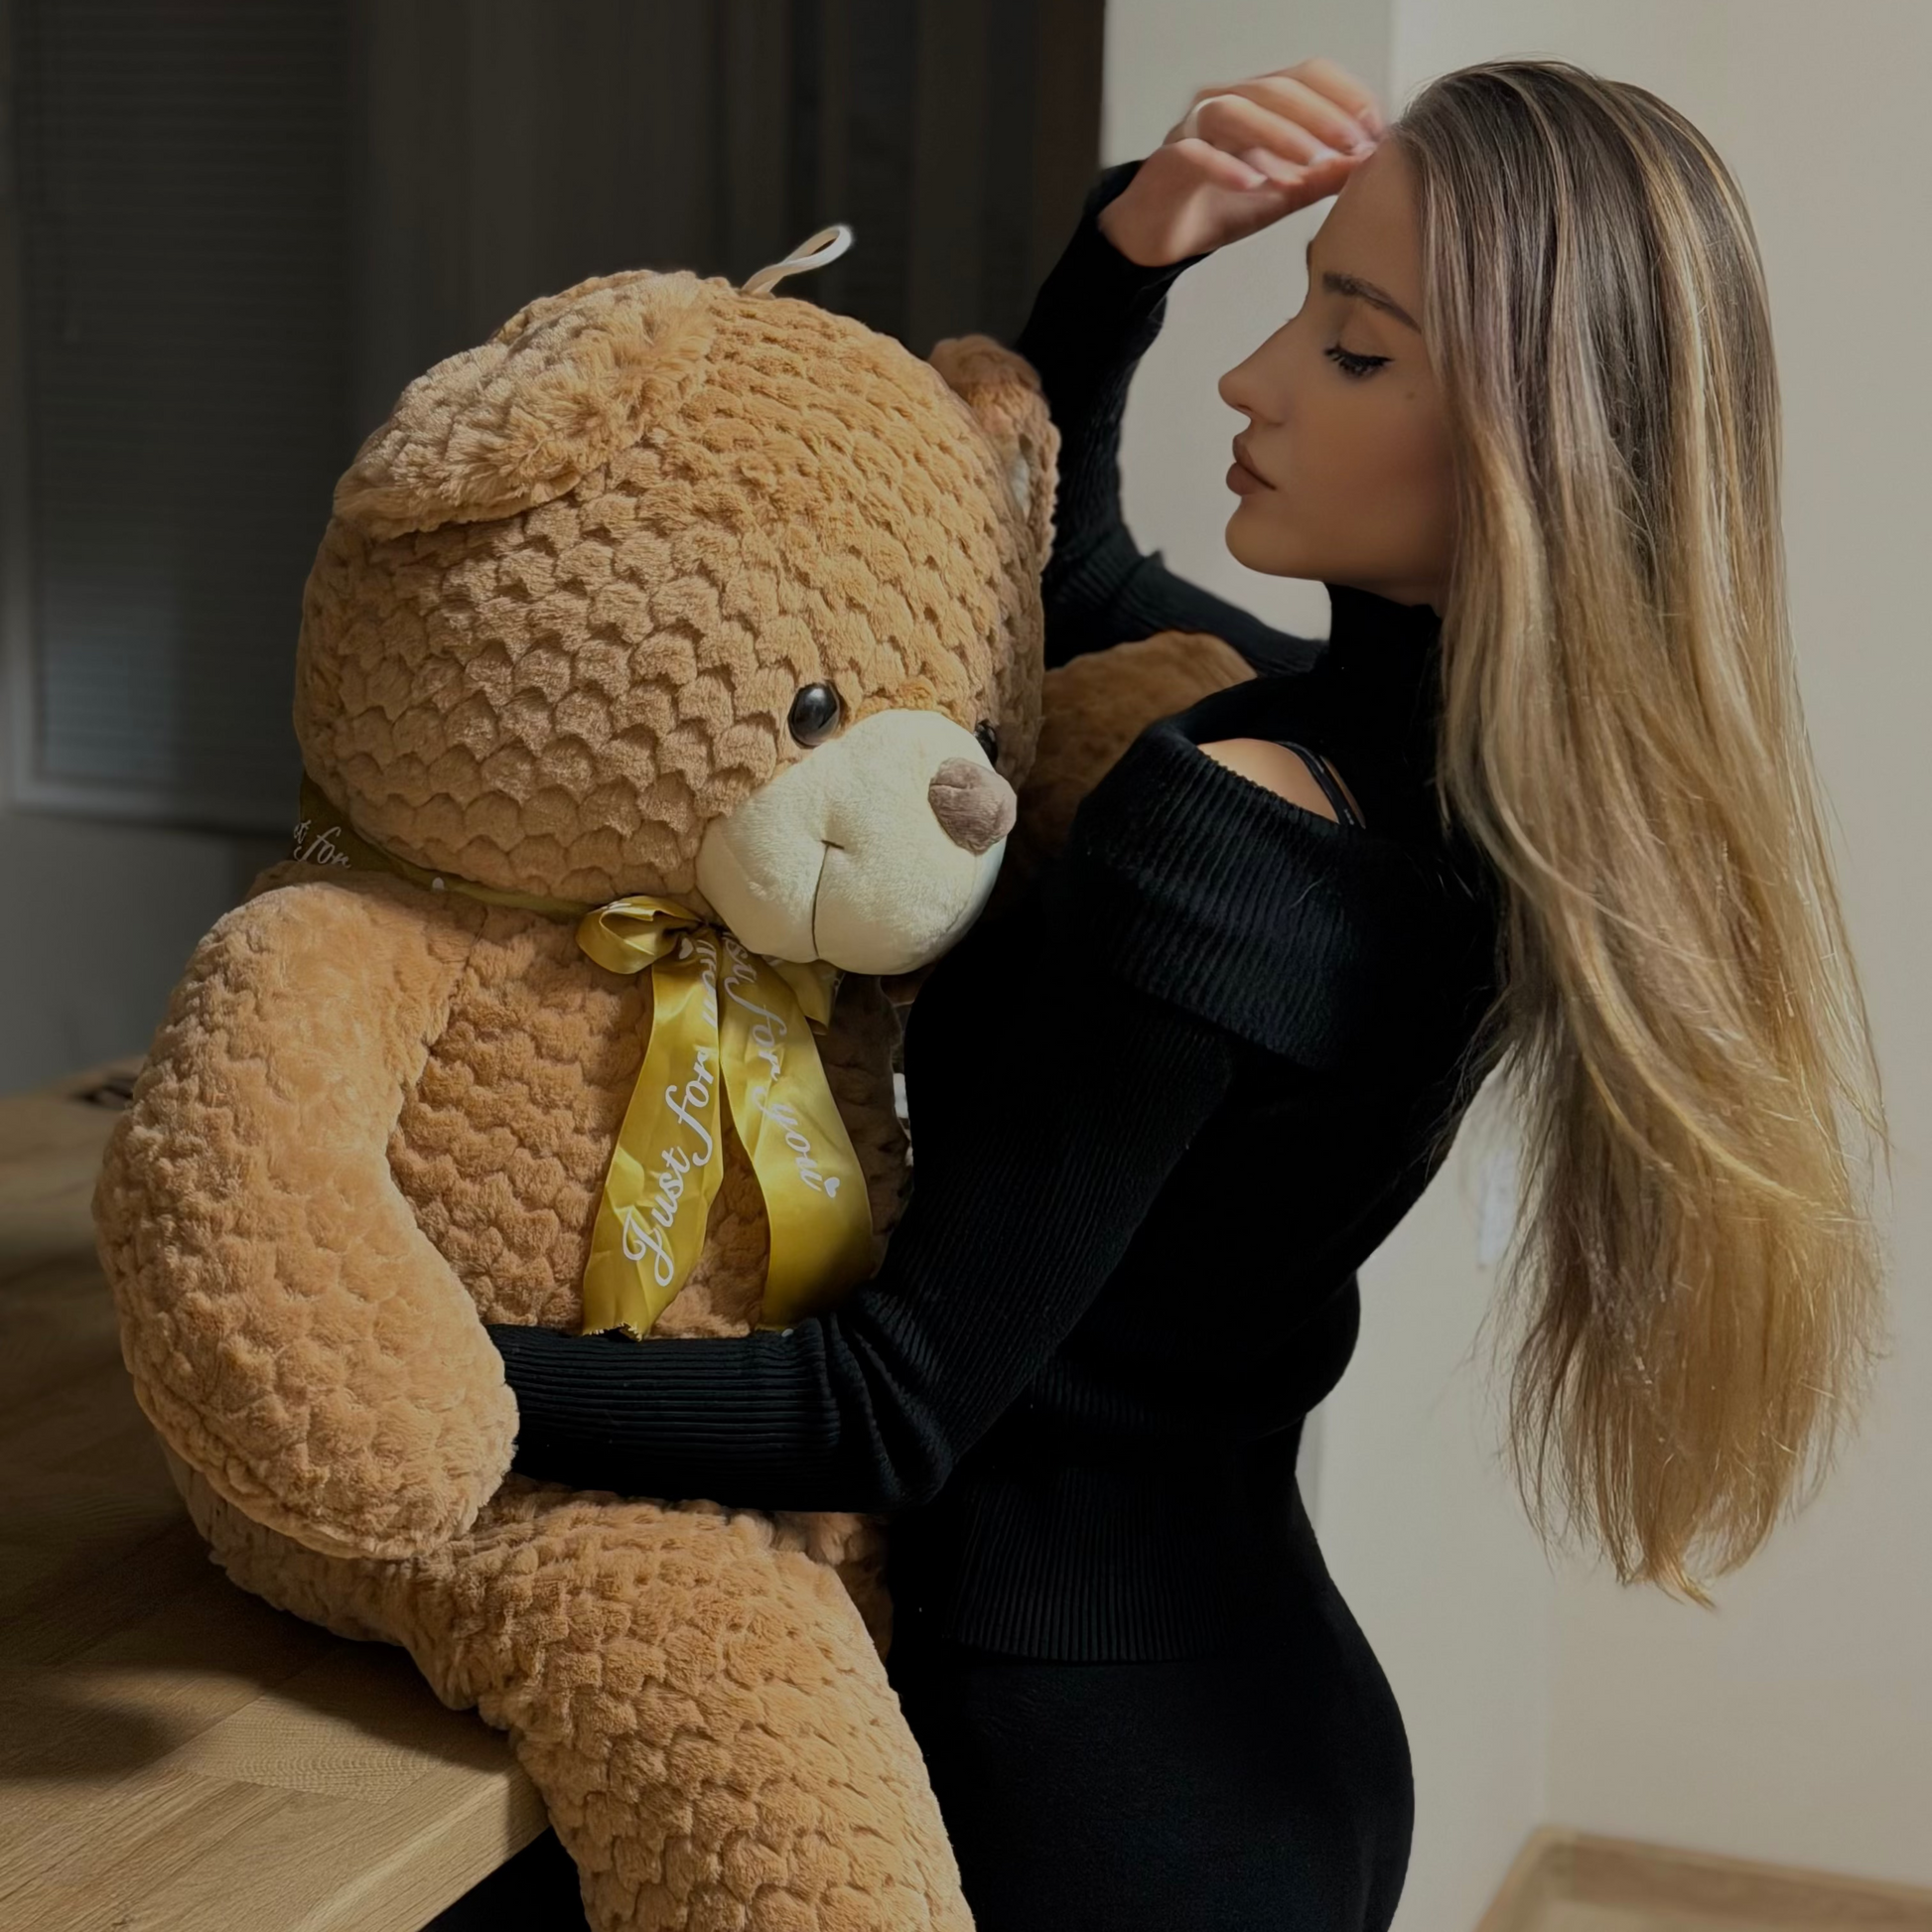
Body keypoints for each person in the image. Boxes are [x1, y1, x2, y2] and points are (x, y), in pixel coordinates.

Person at [483, 55, 1891, 1932]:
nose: (1258, 379)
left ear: (1528, 448)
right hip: (1249, 1736)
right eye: (1302, 309)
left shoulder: (1235, 827)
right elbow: (1070, 592)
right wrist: (1124, 261)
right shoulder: (1456, 789)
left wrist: (398, 1374)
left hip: (1088, 1797)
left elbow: (889, 1406)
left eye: (1355, 348)